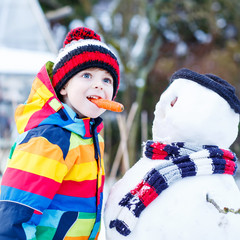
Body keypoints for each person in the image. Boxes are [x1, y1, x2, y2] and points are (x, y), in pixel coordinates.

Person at [0, 27, 120, 240]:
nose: (99, 86)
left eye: (106, 80)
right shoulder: (50, 139)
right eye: (87, 75)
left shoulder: (90, 138)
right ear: (63, 86)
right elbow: (14, 215)